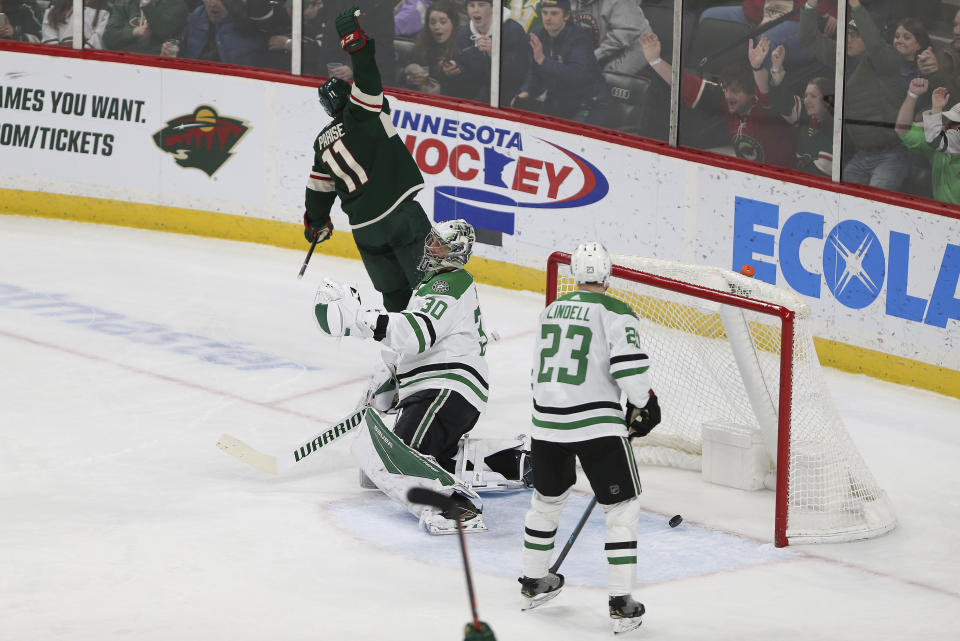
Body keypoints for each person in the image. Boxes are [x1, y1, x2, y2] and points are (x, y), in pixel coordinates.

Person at [312, 219, 492, 534]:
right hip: (439, 391)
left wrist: (361, 318)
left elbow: (418, 334)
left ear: (456, 253)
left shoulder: (448, 282)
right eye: (431, 240)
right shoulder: (433, 286)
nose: (430, 247)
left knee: (392, 459)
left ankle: (454, 508)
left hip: (445, 389)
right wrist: (394, 374)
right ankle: (505, 460)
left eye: (440, 244)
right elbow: (417, 343)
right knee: (379, 470)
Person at [518, 241, 660, 635]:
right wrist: (643, 402)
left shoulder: (550, 310)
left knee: (545, 502)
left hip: (545, 423)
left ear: (575, 275)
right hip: (597, 425)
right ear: (608, 274)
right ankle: (620, 602)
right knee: (621, 508)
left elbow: (535, 373)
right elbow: (629, 367)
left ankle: (533, 581)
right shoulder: (615, 310)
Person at [302, 6, 432, 313]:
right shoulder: (362, 112)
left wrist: (317, 225)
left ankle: (400, 356)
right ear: (349, 97)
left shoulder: (321, 144)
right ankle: (441, 352)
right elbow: (368, 72)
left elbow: (318, 192)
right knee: (433, 285)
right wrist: (354, 41)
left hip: (365, 231)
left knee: (395, 297)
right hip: (400, 215)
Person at [640, 31, 797, 167]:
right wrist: (655, 61)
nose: (728, 95)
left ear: (752, 94)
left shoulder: (765, 108)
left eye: (735, 91)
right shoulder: (725, 100)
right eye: (725, 89)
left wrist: (756, 67)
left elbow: (764, 90)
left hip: (786, 179)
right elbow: (686, 83)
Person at [799, 0, 906, 190]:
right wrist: (810, 4)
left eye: (856, 35)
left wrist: (856, 6)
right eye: (848, 34)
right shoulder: (843, 56)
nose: (849, 39)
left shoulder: (887, 59)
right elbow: (809, 37)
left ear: (871, 35)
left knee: (875, 204)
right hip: (860, 154)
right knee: (841, 200)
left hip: (890, 155)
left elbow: (875, 47)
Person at [512, 0, 611, 125]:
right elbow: (534, 70)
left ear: (566, 16)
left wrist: (543, 61)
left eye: (554, 14)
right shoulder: (539, 34)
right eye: (545, 13)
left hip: (589, 104)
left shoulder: (579, 38)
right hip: (560, 101)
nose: (548, 18)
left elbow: (577, 75)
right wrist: (526, 91)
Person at [451, 0, 530, 104]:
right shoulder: (464, 33)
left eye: (481, 5)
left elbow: (520, 75)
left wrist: (494, 55)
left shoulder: (513, 31)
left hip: (507, 101)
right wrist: (453, 70)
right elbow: (466, 77)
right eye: (471, 5)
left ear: (493, 8)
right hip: (475, 100)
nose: (475, 10)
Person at [895, 78, 960, 204]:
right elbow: (902, 130)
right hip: (938, 218)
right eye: (950, 122)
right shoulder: (939, 150)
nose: (950, 128)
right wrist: (912, 95)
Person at [403, 0, 471, 97]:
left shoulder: (463, 49)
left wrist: (445, 86)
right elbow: (401, 78)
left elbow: (469, 88)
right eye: (432, 22)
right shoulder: (421, 46)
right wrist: (410, 78)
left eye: (443, 22)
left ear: (453, 23)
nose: (437, 27)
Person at [102, 0, 187, 55]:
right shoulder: (124, 3)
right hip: (124, 60)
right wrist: (134, 32)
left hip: (156, 65)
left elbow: (163, 30)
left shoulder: (176, 4)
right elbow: (108, 39)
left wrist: (147, 5)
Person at [41, 0, 109, 48]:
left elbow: (98, 37)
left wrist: (84, 49)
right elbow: (49, 36)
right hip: (59, 59)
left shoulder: (104, 11)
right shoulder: (56, 8)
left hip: (89, 60)